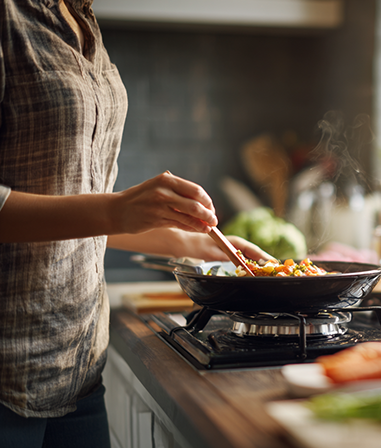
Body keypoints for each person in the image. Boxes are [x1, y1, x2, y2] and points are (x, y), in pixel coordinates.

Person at [0, 1, 268, 446]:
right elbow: (100, 209)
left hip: (78, 362)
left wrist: (198, 245)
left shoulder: (80, 15)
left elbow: (74, 197)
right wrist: (115, 208)